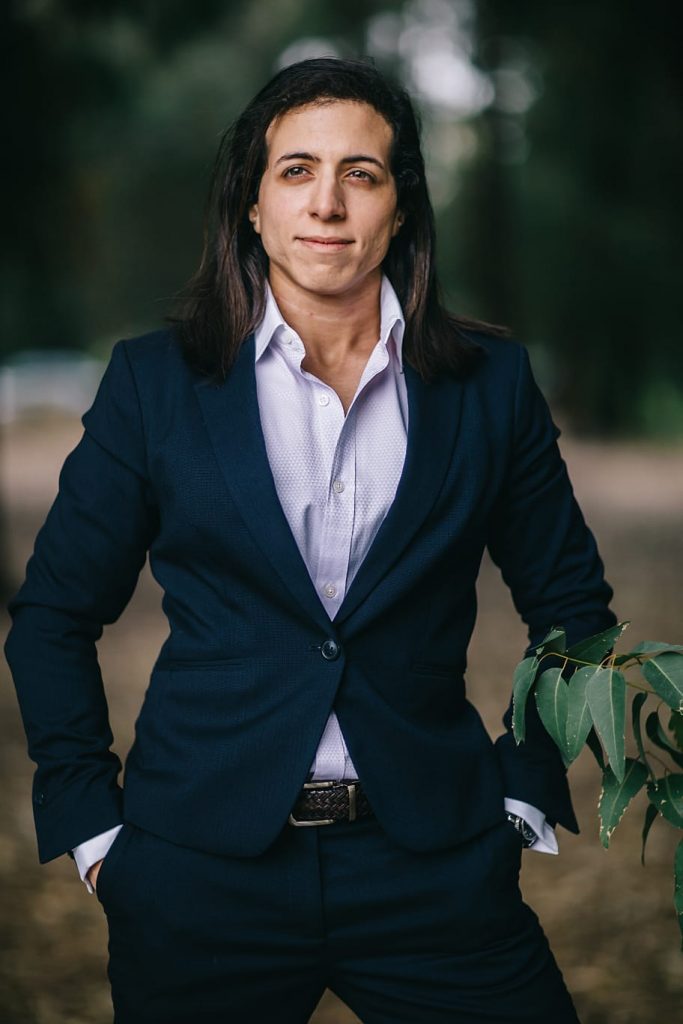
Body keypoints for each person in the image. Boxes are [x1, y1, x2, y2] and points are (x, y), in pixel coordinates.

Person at [5, 57, 616, 1023]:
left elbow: (572, 613)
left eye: (359, 174)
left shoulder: (488, 386)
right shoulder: (155, 384)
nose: (326, 202)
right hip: (198, 869)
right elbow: (52, 616)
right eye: (295, 171)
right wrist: (94, 833)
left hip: (433, 866)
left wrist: (524, 792)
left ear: (400, 208)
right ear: (251, 205)